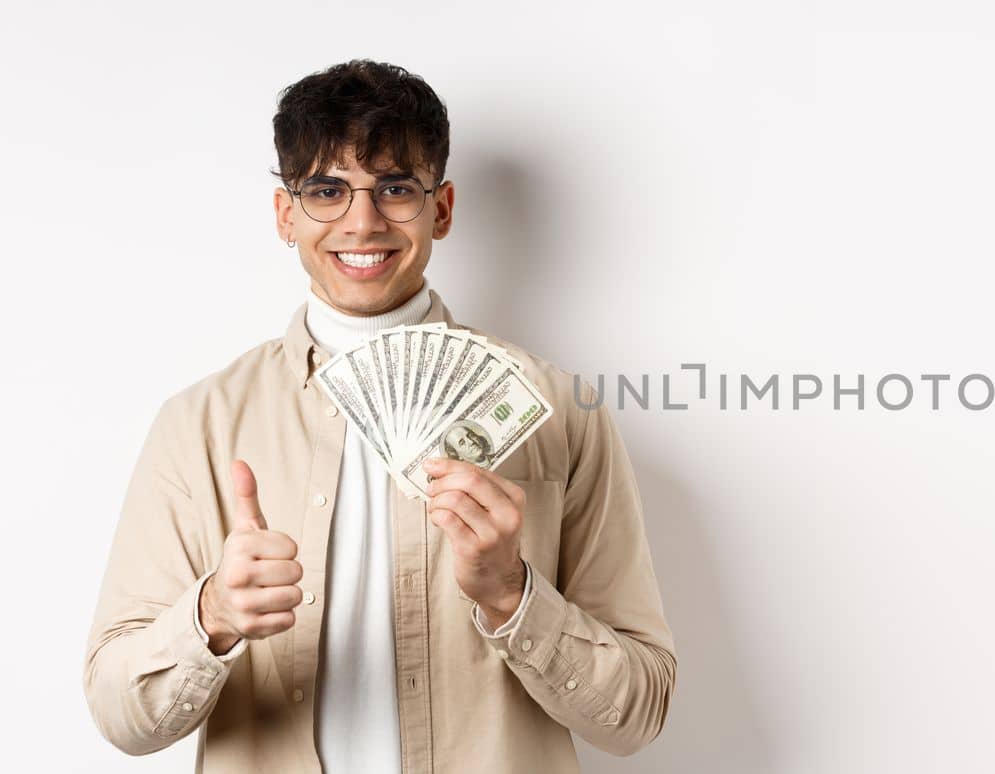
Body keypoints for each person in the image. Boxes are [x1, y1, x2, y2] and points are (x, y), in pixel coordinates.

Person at [82, 59, 677, 773]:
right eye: (326, 190)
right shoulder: (198, 425)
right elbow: (119, 715)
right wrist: (210, 617)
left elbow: (639, 715)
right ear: (286, 214)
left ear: (443, 207)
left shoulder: (556, 415)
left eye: (395, 188)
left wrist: (511, 595)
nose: (361, 221)